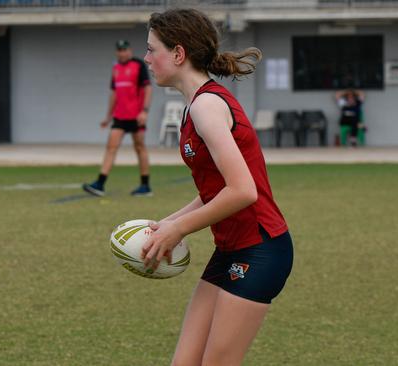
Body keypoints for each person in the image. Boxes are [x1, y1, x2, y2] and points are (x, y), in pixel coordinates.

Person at [139, 9, 293, 365]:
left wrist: (179, 229)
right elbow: (215, 189)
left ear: (178, 54)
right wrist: (168, 223)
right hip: (230, 251)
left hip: (261, 250)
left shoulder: (208, 106)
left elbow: (243, 191)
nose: (146, 59)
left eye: (152, 49)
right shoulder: (195, 106)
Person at [83, 40, 153, 197]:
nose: (122, 53)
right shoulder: (115, 69)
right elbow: (114, 94)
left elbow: (147, 88)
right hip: (120, 117)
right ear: (117, 52)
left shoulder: (138, 65)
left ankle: (145, 186)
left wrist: (144, 111)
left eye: (125, 49)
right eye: (119, 50)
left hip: (136, 116)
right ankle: (100, 184)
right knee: (111, 147)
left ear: (129, 50)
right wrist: (108, 117)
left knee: (140, 148)